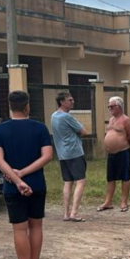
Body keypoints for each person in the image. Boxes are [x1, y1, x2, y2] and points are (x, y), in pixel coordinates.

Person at [0, 90, 54, 259]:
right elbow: (47, 156)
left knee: (20, 229)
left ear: (10, 106)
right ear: (27, 106)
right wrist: (25, 173)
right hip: (36, 184)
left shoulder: (0, 130)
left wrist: (16, 178)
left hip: (12, 186)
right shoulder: (40, 128)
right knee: (36, 226)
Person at [51, 92, 88, 222]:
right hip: (74, 152)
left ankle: (66, 213)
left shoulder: (54, 116)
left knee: (67, 182)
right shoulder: (67, 117)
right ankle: (74, 212)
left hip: (62, 154)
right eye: (70, 100)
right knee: (80, 181)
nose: (73, 102)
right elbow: (83, 132)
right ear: (62, 102)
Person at [97, 96, 130, 213]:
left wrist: (123, 145)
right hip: (111, 154)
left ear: (119, 107)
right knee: (110, 178)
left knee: (125, 177)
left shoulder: (126, 120)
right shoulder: (111, 120)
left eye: (112, 106)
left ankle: (124, 202)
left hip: (123, 152)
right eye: (109, 106)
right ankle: (108, 201)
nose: (110, 109)